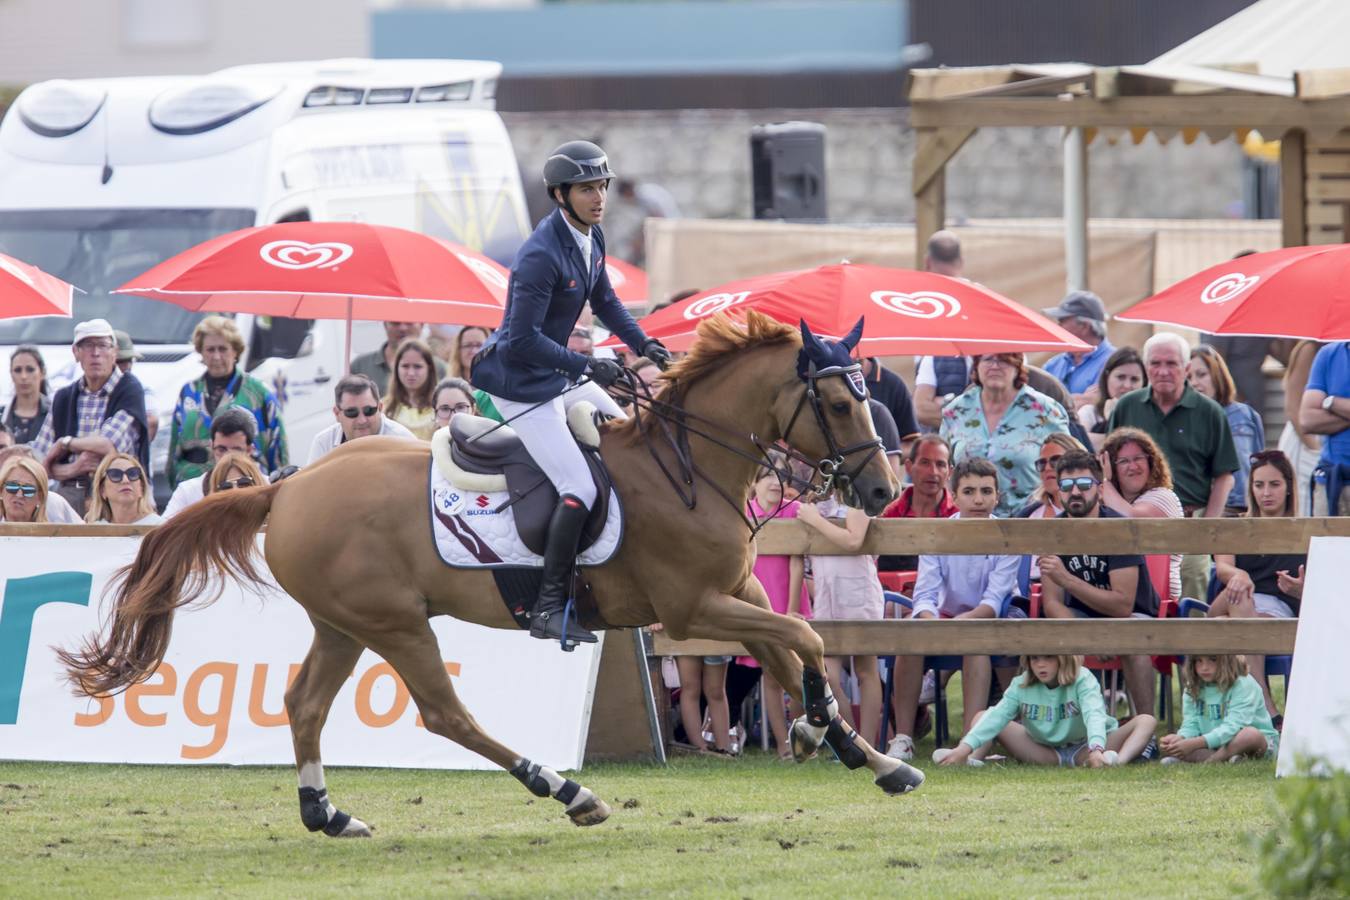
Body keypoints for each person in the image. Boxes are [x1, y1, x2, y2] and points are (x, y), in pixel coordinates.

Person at [470, 140, 670, 645]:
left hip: (555, 375)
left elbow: (605, 301)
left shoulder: (590, 235)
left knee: (624, 433)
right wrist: (588, 364)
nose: (599, 196)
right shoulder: (540, 254)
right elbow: (521, 338)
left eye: (601, 185)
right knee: (578, 486)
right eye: (587, 188)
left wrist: (645, 342)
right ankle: (549, 605)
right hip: (519, 386)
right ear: (560, 194)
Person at [887, 458, 1021, 763]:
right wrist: (929, 620)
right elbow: (925, 592)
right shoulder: (938, 533)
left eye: (986, 491)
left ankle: (970, 742)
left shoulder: (1007, 535)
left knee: (973, 640)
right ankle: (904, 737)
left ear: (997, 496)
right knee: (909, 636)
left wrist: (966, 621)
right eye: (970, 491)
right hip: (945, 615)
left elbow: (996, 597)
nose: (978, 499)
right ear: (954, 495)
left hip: (994, 616)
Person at [1108, 332, 1238, 602]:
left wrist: (1206, 527)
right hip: (1130, 525)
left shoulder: (1210, 411)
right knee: (1134, 603)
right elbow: (1108, 464)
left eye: (1172, 364)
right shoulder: (1127, 406)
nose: (1163, 371)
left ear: (1186, 368)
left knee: (1188, 605)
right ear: (1146, 368)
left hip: (1189, 524)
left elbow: (1224, 476)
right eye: (1155, 364)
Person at [1038, 451, 1159, 717]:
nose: (1075, 493)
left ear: (1100, 488)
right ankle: (1062, 730)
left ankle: (1145, 730)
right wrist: (1086, 637)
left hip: (1132, 616)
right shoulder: (1051, 532)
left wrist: (1067, 578)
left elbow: (1122, 606)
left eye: (1084, 484)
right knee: (1044, 635)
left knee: (1134, 641)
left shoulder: (1118, 529)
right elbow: (1052, 603)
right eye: (1067, 486)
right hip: (1080, 617)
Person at [1208, 449, 1306, 719]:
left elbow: (1318, 589)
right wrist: (1239, 575)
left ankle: (1235, 714)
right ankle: (1266, 705)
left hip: (1275, 612)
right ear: (1250, 488)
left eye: (1274, 484)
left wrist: (1299, 590)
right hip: (1229, 599)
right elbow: (1223, 567)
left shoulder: (1305, 529)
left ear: (1288, 488)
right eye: (1259, 484)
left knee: (1229, 622)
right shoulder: (1235, 524)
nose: (1266, 492)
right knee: (1241, 594)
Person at [934, 654, 1157, 767]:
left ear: (1062, 658)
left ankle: (1116, 762)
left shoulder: (1083, 679)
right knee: (983, 716)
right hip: (1043, 749)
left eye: (1048, 658)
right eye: (1035, 659)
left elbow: (1094, 714)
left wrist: (1096, 748)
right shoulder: (1021, 684)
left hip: (1086, 748)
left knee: (1146, 720)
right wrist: (964, 747)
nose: (1040, 665)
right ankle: (970, 759)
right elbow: (998, 716)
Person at [31, 318, 149, 516]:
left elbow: (107, 446)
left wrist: (65, 443)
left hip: (116, 494)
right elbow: (40, 460)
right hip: (68, 493)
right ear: (76, 353)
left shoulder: (129, 389)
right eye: (87, 346)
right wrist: (73, 468)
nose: (95, 354)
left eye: (103, 346)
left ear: (114, 352)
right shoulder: (64, 396)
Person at [797, 487, 883, 749]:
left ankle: (868, 741)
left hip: (858, 591)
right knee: (827, 673)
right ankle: (851, 738)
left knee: (866, 669)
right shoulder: (817, 498)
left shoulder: (858, 496)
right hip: (826, 594)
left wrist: (815, 521)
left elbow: (854, 540)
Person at [940, 352, 1070, 517]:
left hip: (1029, 520)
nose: (995, 366)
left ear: (1018, 367)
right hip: (970, 522)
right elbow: (942, 467)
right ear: (976, 366)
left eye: (1003, 360)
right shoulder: (955, 410)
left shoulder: (1046, 410)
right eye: (988, 359)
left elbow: (1068, 466)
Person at [740, 458, 811, 760]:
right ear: (753, 482)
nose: (774, 482)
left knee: (797, 672)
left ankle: (799, 739)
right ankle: (782, 745)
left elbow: (797, 563)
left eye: (781, 476)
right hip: (758, 600)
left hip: (788, 600)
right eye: (767, 475)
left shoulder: (793, 511)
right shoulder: (744, 513)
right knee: (770, 673)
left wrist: (792, 610)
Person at [167, 315, 287, 489]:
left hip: (244, 487)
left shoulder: (259, 393)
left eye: (223, 349)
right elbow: (174, 448)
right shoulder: (188, 393)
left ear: (235, 351)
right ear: (201, 352)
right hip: (195, 487)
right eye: (210, 349)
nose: (216, 356)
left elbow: (278, 448)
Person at [1098, 427, 1183, 602]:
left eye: (1138, 458)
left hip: (1158, 602)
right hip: (1115, 596)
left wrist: (1104, 481)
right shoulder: (1109, 502)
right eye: (1123, 461)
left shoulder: (1164, 496)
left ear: (1151, 463)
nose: (1133, 466)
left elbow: (1132, 520)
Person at [1160, 654, 1279, 764]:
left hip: (1254, 743)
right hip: (1214, 744)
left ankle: (1212, 761)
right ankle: (1231, 758)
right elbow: (1191, 723)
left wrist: (1194, 743)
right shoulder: (1193, 686)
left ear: (1229, 660)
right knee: (1173, 746)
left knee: (1250, 734)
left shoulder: (1244, 683)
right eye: (1198, 661)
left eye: (1213, 660)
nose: (1204, 668)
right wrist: (1181, 738)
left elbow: (1233, 727)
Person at [1188, 344, 1264, 516]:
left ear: (1217, 376)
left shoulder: (1244, 414)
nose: (1194, 383)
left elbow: (1258, 463)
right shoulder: (1185, 421)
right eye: (1188, 377)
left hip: (1246, 508)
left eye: (1201, 374)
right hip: (1209, 509)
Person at [913, 230, 971, 431]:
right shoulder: (981, 298)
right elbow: (922, 407)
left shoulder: (918, 302)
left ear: (927, 261)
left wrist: (945, 401)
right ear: (961, 261)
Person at [878, 434, 958, 572]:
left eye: (940, 464)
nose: (933, 472)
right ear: (909, 467)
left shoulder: (959, 517)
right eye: (925, 463)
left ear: (950, 472)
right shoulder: (888, 515)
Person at [162, 408, 259, 518]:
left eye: (236, 450)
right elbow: (163, 532)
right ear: (211, 447)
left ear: (250, 450)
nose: (227, 457)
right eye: (221, 450)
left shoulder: (268, 487)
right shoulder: (188, 492)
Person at [307, 374, 417, 465]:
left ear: (380, 408)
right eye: (352, 412)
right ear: (337, 414)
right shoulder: (323, 443)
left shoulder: (403, 441)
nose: (362, 420)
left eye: (369, 410)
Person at [1298, 340, 1350, 515]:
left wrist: (1331, 402)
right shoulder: (1328, 355)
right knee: (1326, 542)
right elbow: (1307, 419)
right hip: (1332, 482)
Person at [1041, 291, 1114, 410]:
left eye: (1062, 320)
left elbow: (1100, 407)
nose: (1057, 326)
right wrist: (1081, 399)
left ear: (1084, 326)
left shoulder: (1115, 362)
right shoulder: (1053, 364)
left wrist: (1053, 403)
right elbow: (1036, 406)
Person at [1278, 340, 1322, 513]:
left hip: (1329, 439)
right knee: (1301, 505)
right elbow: (1292, 406)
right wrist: (1314, 447)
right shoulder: (1310, 349)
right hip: (1303, 441)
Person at [350, 321, 448, 396]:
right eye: (395, 323)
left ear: (422, 325)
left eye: (409, 323)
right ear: (385, 325)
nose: (402, 328)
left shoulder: (440, 368)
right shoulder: (360, 366)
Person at [1077, 347, 1146, 449]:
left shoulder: (1149, 414)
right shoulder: (1089, 413)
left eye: (1134, 379)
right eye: (1121, 377)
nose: (1127, 385)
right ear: (1107, 377)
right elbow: (1081, 443)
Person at [381, 339, 438, 440]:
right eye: (405, 366)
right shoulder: (384, 407)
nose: (411, 373)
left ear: (429, 368)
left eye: (417, 366)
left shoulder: (441, 406)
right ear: (396, 368)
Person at [85, 452, 161, 525]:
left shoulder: (158, 528)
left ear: (141, 488)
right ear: (102, 490)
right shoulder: (93, 533)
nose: (125, 480)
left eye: (132, 473)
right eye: (115, 475)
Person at [114, 330, 159, 443]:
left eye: (129, 360)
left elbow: (152, 421)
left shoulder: (142, 389)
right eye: (120, 361)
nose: (126, 366)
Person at [3, 345, 49, 445]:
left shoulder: (56, 412)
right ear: (11, 374)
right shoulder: (2, 415)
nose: (23, 376)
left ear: (42, 373)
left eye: (30, 369)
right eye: (18, 370)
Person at [0, 455, 48, 523]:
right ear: (1, 491)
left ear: (40, 497)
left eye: (28, 489)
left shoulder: (53, 532)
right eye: (12, 486)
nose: (19, 495)